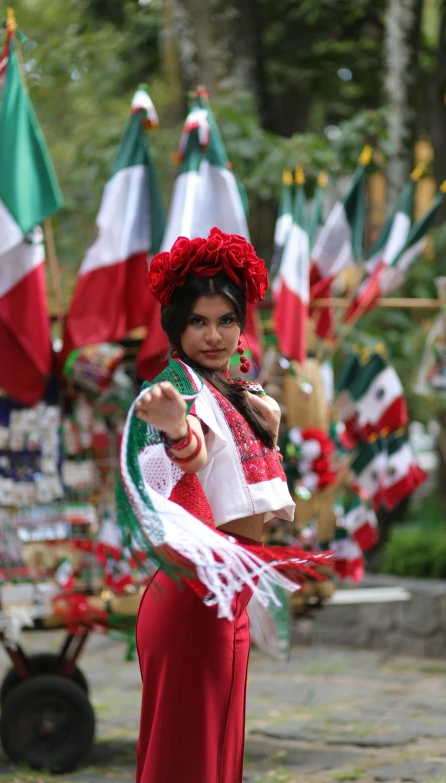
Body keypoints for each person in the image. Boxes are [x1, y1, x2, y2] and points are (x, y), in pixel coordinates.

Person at [116, 226, 330, 783]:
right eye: (198, 320)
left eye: (226, 320)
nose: (214, 334)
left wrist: (272, 430)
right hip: (194, 591)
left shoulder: (228, 389)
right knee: (187, 760)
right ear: (175, 325)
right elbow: (186, 449)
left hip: (226, 589)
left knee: (218, 755)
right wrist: (175, 430)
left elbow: (238, 480)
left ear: (242, 325)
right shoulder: (177, 388)